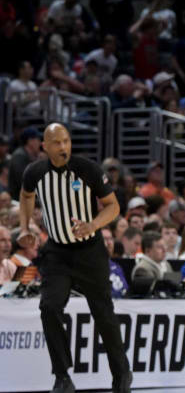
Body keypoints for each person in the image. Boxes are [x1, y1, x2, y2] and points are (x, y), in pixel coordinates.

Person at [17, 123, 131, 392]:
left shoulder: (87, 168)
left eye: (66, 141)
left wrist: (92, 225)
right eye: (56, 143)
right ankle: (62, 376)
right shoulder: (34, 172)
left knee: (103, 313)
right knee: (49, 307)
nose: (63, 147)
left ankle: (122, 374)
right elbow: (25, 196)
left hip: (89, 251)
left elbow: (113, 206)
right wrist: (23, 228)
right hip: (57, 252)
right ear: (44, 147)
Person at [102, 228, 128, 298]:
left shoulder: (116, 266)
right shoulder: (90, 267)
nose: (109, 243)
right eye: (105, 239)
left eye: (110, 239)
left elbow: (125, 290)